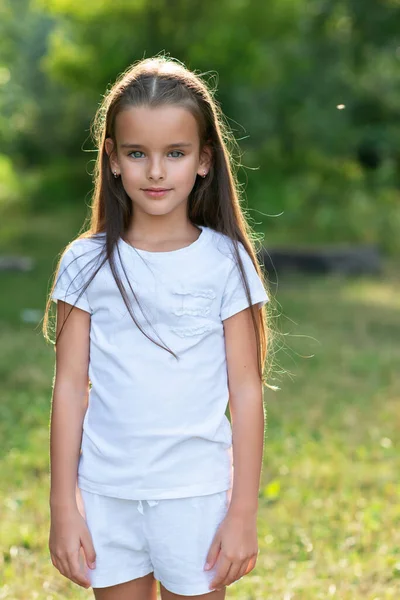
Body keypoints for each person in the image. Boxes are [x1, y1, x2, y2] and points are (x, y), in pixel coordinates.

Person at [43, 55, 274, 600]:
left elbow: (245, 391)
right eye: (137, 153)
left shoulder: (226, 262)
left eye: (174, 153)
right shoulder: (85, 261)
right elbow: (71, 386)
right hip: (107, 496)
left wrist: (242, 512)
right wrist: (62, 507)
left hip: (196, 498)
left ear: (203, 161)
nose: (155, 170)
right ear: (113, 160)